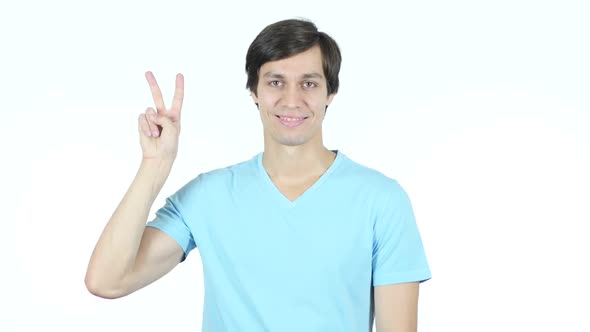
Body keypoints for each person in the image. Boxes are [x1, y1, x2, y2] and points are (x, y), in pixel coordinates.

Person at [85, 18, 431, 332]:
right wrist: (155, 165)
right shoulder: (209, 196)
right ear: (253, 91)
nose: (291, 100)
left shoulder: (382, 201)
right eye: (276, 82)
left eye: (309, 84)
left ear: (331, 93)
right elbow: (107, 281)